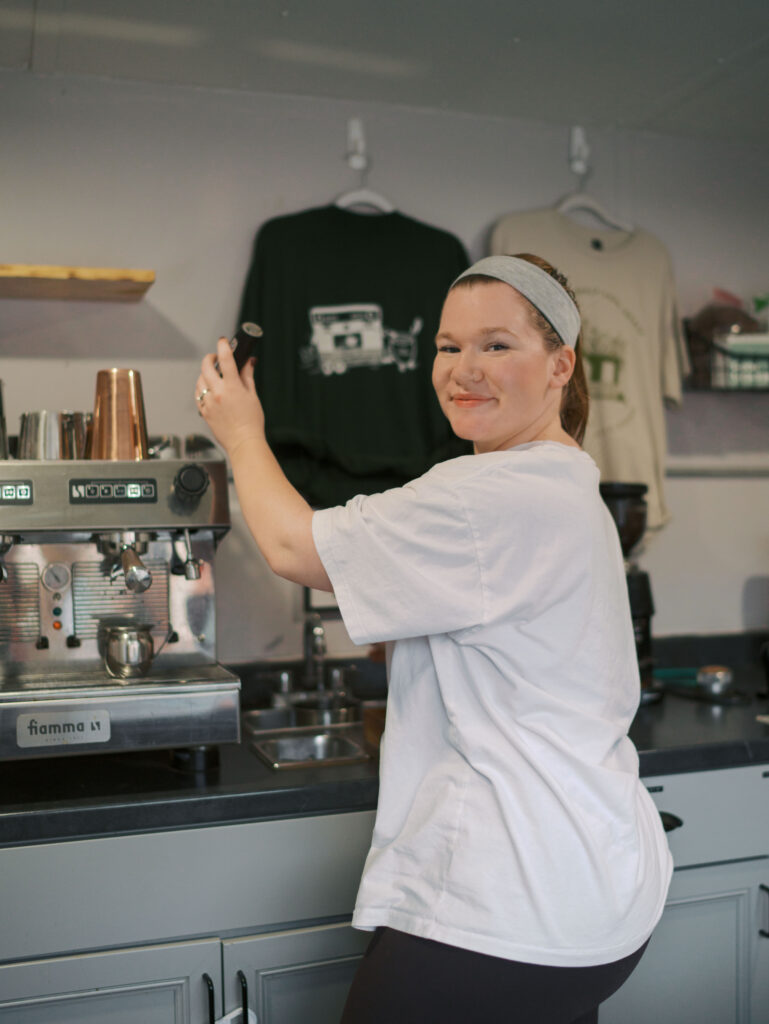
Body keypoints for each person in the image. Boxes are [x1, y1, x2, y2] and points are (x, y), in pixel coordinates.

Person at [194, 253, 673, 1024]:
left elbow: (289, 548)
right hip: (598, 893)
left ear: (560, 364)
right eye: (448, 347)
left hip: (506, 900)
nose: (463, 370)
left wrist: (240, 432)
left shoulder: (490, 494)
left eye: (495, 345)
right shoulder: (562, 479)